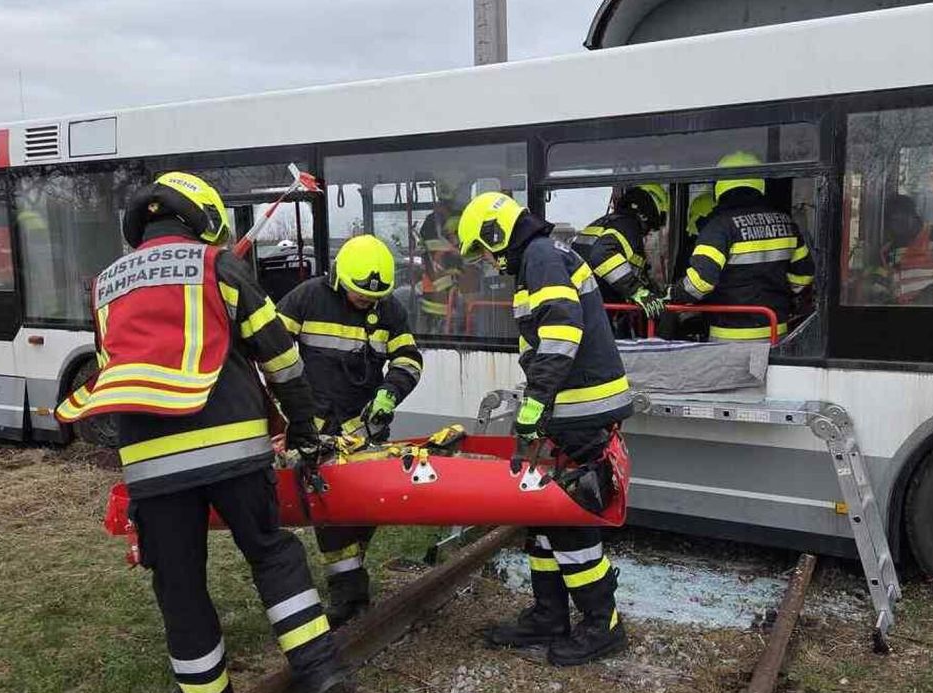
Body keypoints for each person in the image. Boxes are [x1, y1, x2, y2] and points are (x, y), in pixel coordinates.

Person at [54, 172, 342, 693]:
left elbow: (113, 363)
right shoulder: (218, 265)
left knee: (179, 579)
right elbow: (277, 353)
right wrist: (303, 426)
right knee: (271, 553)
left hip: (151, 462)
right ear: (205, 218)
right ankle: (319, 668)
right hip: (232, 446)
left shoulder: (105, 285)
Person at [458, 191, 631, 666]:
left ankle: (603, 624)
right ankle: (549, 614)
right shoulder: (543, 257)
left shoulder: (539, 258)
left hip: (580, 408)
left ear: (496, 234)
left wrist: (535, 400)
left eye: (485, 249)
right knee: (541, 515)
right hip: (570, 407)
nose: (490, 262)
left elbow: (561, 331)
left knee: (568, 518)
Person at [277, 234, 423, 628]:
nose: (368, 302)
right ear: (340, 279)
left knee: (366, 508)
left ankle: (352, 584)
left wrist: (391, 392)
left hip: (367, 428)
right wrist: (289, 412)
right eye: (361, 295)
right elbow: (270, 350)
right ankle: (349, 598)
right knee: (333, 515)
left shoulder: (388, 309)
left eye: (374, 297)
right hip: (318, 430)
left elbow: (409, 358)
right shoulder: (306, 298)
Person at [669, 152, 814, 342]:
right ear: (760, 183)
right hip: (776, 333)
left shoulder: (719, 226)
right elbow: (804, 277)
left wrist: (670, 294)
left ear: (719, 185)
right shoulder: (786, 223)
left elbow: (700, 283)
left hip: (730, 339)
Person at [569, 184, 668, 322]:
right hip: (596, 307)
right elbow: (600, 255)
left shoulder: (607, 222)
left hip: (582, 303)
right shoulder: (629, 227)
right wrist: (636, 291)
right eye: (649, 228)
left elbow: (628, 268)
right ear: (645, 216)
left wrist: (650, 289)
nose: (647, 234)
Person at [870, 193, 933, 305]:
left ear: (913, 216)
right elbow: (877, 282)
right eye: (890, 222)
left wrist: (932, 295)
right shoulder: (888, 250)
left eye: (897, 220)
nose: (894, 227)